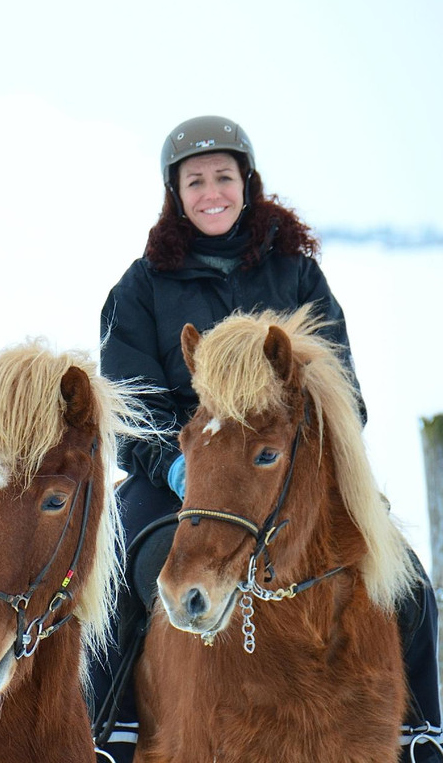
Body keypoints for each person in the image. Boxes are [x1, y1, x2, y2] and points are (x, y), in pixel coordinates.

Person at [92, 115, 442, 763]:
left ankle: (422, 731)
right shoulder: (140, 290)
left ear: (246, 183)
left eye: (223, 176)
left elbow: (345, 396)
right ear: (176, 193)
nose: (211, 192)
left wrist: (304, 458)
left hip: (288, 469)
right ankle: (108, 730)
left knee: (410, 581)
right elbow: (133, 410)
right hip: (181, 470)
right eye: (195, 181)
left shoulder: (298, 275)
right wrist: (174, 466)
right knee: (117, 573)